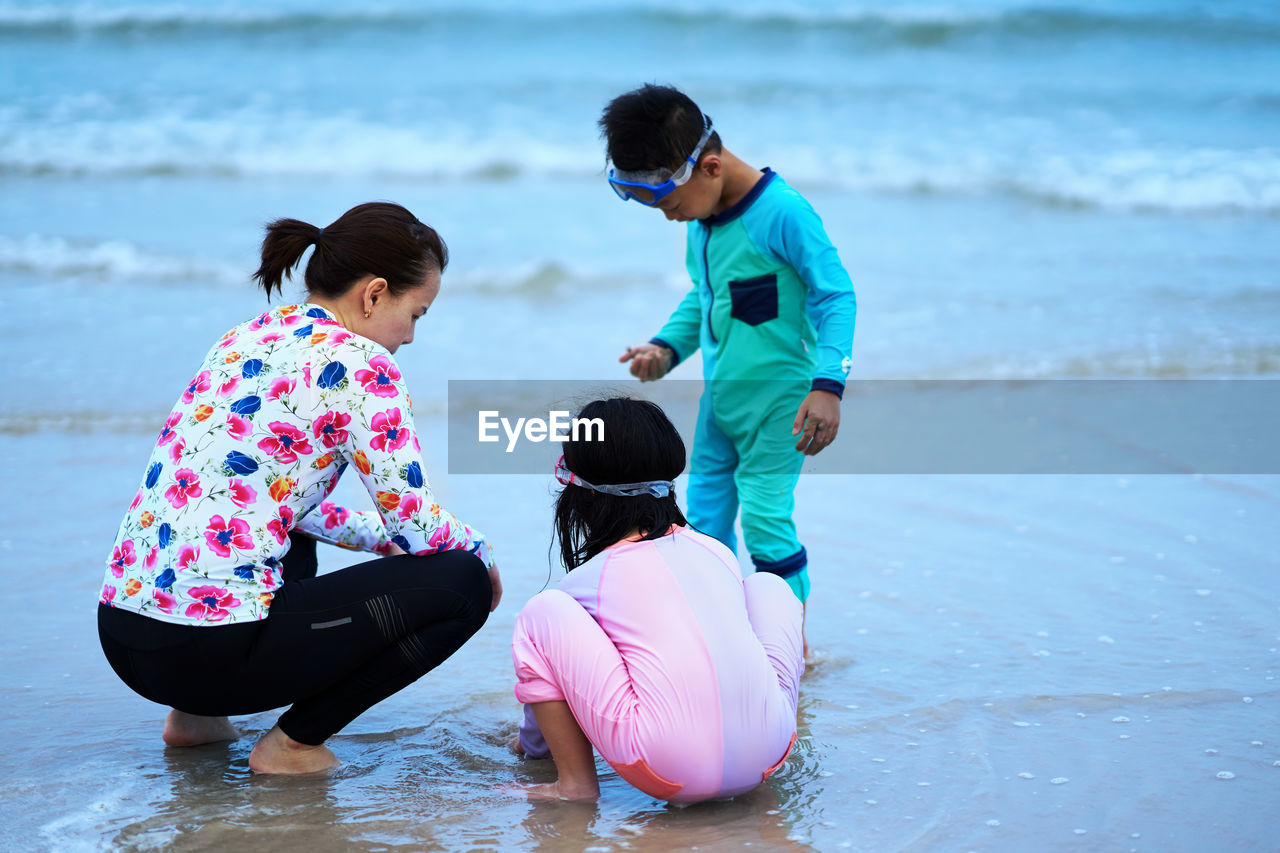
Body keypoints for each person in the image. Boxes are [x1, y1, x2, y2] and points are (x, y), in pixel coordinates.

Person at [98, 201, 501, 774]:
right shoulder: (363, 365)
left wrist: (380, 541)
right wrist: (483, 554)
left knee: (274, 530)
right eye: (416, 314)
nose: (410, 336)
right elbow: (418, 528)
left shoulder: (246, 337)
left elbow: (277, 503)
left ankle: (193, 719)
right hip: (208, 649)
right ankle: (292, 744)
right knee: (463, 582)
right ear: (374, 293)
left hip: (123, 633)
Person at [601, 84, 857, 648]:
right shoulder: (702, 221)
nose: (670, 219)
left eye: (668, 205)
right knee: (702, 525)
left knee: (766, 522)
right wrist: (665, 348)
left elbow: (836, 296)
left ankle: (791, 649)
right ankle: (721, 640)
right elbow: (707, 298)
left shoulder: (783, 214)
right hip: (721, 403)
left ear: (709, 167)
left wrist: (829, 386)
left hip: (782, 402)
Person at [509, 398, 804, 802]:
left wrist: (531, 744)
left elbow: (555, 668)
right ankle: (757, 722)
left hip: (666, 770)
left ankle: (574, 786)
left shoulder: (587, 581)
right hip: (769, 753)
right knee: (768, 586)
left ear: (580, 492)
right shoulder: (718, 553)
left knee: (541, 614)